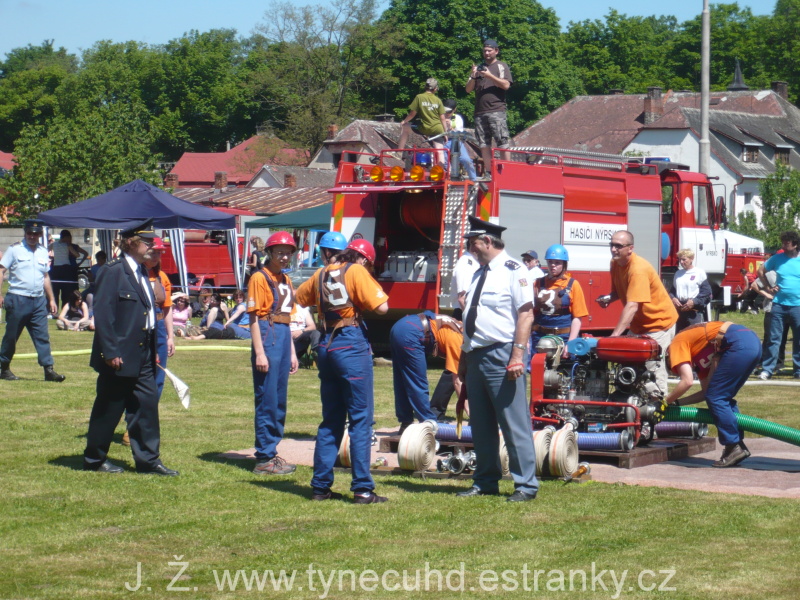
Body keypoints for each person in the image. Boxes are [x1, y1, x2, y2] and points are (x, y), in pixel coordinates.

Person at [295, 239, 390, 504]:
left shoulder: (321, 272)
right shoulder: (356, 270)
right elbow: (382, 307)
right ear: (363, 259)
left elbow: (299, 297)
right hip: (350, 342)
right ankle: (362, 489)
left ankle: (320, 487)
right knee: (361, 419)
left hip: (326, 342)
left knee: (331, 419)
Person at [83, 218, 178, 475]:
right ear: (130, 243)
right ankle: (95, 458)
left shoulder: (141, 271)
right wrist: (110, 351)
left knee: (146, 407)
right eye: (146, 241)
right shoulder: (113, 271)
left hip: (144, 351)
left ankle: (148, 460)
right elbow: (103, 314)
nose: (151, 245)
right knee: (110, 407)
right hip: (120, 354)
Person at [456, 215, 538, 502]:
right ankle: (485, 482)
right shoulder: (480, 272)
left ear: (487, 241)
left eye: (473, 243)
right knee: (481, 424)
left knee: (513, 423)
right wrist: (465, 360)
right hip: (477, 354)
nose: (470, 249)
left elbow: (526, 313)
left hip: (502, 354)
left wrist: (517, 354)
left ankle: (525, 485)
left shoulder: (514, 270)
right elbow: (472, 316)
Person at [665, 322, 761, 467]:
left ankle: (733, 445)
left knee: (717, 398)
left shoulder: (676, 343)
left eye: (676, 367)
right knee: (720, 396)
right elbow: (706, 393)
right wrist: (677, 403)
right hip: (750, 341)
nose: (679, 369)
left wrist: (663, 403)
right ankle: (736, 444)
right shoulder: (700, 355)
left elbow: (687, 381)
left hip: (737, 342)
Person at [597, 230, 678, 395]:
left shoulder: (638, 269)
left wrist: (614, 337)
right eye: (612, 245)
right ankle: (632, 407)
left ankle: (657, 406)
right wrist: (609, 298)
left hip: (659, 324)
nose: (613, 249)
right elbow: (623, 292)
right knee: (629, 367)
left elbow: (632, 305)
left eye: (618, 246)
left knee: (652, 369)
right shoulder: (615, 264)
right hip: (639, 325)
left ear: (630, 248)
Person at [246, 231, 300, 476]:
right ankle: (264, 457)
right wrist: (259, 352)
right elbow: (254, 316)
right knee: (267, 398)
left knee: (279, 400)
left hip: (282, 334)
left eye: (288, 253)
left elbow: (288, 318)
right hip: (267, 335)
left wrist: (292, 353)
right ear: (268, 253)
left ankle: (272, 451)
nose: (284, 257)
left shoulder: (286, 280)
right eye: (280, 252)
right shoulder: (260, 278)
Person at [0, 219, 66, 382]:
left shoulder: (43, 251)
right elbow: (1, 271)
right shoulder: (14, 250)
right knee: (11, 336)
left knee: (42, 336)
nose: (32, 236)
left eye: (35, 234)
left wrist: (51, 299)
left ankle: (48, 370)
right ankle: (4, 367)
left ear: (40, 235)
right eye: (29, 233)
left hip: (38, 301)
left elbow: (45, 276)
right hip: (17, 298)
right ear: (25, 233)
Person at [390, 311, 463, 433]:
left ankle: (406, 423)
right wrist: (471, 411)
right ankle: (429, 425)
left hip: (401, 326)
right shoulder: (459, 341)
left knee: (401, 381)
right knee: (418, 382)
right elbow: (457, 382)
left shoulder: (459, 326)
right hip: (413, 332)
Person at [465, 39, 513, 176]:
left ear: (496, 51)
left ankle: (507, 171)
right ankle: (488, 171)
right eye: (484, 50)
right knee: (484, 144)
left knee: (502, 142)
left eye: (489, 50)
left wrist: (489, 75)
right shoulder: (478, 68)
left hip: (496, 110)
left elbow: (506, 85)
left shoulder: (501, 66)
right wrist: (474, 77)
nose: (486, 53)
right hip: (479, 112)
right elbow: (468, 90)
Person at [757, 231, 800, 380]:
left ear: (795, 244)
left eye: (786, 243)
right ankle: (767, 369)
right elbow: (760, 271)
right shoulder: (777, 259)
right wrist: (768, 286)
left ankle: (798, 370)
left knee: (798, 339)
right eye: (782, 243)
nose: (783, 246)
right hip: (779, 305)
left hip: (798, 306)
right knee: (774, 338)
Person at [531, 244, 588, 352]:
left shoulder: (573, 284)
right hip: (539, 337)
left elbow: (577, 317)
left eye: (557, 263)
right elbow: (531, 314)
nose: (553, 265)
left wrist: (571, 342)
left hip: (564, 337)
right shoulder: (537, 283)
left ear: (564, 264)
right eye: (550, 262)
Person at [145, 237, 174, 400]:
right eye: (153, 252)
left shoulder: (162, 277)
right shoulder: (136, 275)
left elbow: (167, 308)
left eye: (159, 253)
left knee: (159, 373)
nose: (156, 257)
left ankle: (151, 413)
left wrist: (170, 337)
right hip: (142, 326)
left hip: (160, 326)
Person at [397, 78, 447, 165]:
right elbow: (442, 118)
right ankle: (441, 171)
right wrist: (445, 133)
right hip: (437, 129)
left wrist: (404, 121)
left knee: (405, 128)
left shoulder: (419, 97)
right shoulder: (438, 100)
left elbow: (412, 114)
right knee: (439, 150)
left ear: (425, 87)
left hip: (424, 127)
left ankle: (399, 153)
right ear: (435, 88)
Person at [753, 271, 789, 372]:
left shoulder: (791, 272)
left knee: (783, 338)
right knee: (770, 337)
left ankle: (779, 364)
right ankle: (762, 362)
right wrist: (766, 294)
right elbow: (754, 285)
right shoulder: (770, 274)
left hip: (787, 309)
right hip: (771, 309)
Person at [669, 249, 712, 332]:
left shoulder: (699, 272)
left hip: (693, 311)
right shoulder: (678, 273)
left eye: (684, 259)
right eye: (680, 259)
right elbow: (672, 292)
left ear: (691, 258)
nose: (681, 262)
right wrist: (673, 298)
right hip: (679, 311)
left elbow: (707, 292)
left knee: (693, 336)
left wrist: (694, 302)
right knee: (679, 336)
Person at [49, 229, 88, 309]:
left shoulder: (55, 244)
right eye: (69, 238)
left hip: (61, 269)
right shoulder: (66, 245)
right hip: (64, 269)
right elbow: (77, 255)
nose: (70, 240)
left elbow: (45, 249)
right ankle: (59, 309)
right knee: (61, 290)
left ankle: (61, 309)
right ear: (65, 237)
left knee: (60, 291)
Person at [442, 98, 478, 180]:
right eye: (445, 111)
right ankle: (449, 173)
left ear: (454, 110)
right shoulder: (440, 117)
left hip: (455, 141)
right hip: (443, 141)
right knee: (442, 156)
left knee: (466, 159)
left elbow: (459, 133)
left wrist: (450, 126)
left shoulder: (457, 118)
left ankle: (474, 179)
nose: (447, 114)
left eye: (449, 112)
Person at [83, 250, 108, 315]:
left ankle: (91, 314)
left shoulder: (108, 267)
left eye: (100, 259)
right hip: (93, 288)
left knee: (92, 298)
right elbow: (91, 281)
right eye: (97, 259)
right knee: (81, 295)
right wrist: (89, 277)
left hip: (104, 289)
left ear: (104, 259)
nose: (98, 261)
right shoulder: (94, 268)